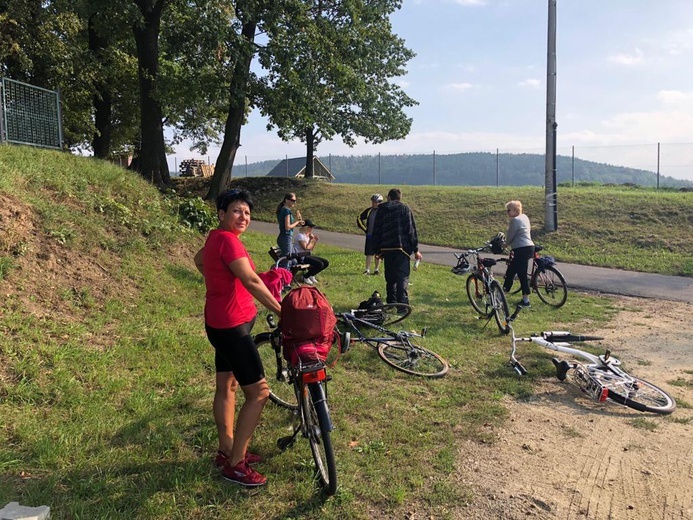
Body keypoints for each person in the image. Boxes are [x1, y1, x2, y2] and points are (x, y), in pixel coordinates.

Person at [193, 188, 282, 488]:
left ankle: (226, 450)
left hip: (219, 323)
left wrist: (219, 282)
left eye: (247, 212)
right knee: (259, 393)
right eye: (236, 210)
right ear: (221, 214)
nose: (243, 216)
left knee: (226, 385)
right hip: (232, 327)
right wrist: (284, 312)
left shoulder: (215, 237)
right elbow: (252, 280)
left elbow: (198, 261)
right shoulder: (228, 241)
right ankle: (236, 465)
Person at [371, 188, 422, 306]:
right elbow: (411, 230)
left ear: (388, 197)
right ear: (400, 198)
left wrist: (376, 250)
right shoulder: (405, 209)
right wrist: (416, 250)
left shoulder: (381, 210)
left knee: (390, 277)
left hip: (386, 248)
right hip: (401, 248)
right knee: (402, 277)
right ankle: (402, 305)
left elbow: (376, 230)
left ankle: (391, 302)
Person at [502, 200, 535, 308]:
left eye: (509, 210)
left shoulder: (515, 221)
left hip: (521, 249)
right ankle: (502, 294)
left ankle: (526, 301)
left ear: (515, 211)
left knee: (520, 274)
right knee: (513, 271)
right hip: (529, 246)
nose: (507, 213)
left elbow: (510, 236)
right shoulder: (524, 217)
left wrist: (505, 245)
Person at [293, 219, 329, 285]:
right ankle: (305, 277)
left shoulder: (306, 236)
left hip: (306, 255)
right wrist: (311, 240)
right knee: (320, 264)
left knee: (325, 262)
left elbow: (310, 248)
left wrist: (313, 241)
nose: (311, 229)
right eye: (310, 227)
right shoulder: (300, 236)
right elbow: (305, 248)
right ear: (305, 227)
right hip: (300, 257)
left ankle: (311, 275)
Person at [357, 194, 383, 275]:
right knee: (369, 253)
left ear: (379, 202)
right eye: (372, 202)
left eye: (375, 202)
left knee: (378, 254)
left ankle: (376, 269)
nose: (373, 203)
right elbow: (359, 218)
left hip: (379, 237)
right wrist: (365, 229)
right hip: (370, 235)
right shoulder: (369, 211)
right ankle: (367, 269)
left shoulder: (383, 211)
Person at [275, 192, 304, 257]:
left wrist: (299, 219)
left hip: (284, 237)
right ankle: (280, 267)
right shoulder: (286, 211)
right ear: (286, 200)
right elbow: (287, 227)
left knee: (292, 260)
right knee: (287, 258)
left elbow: (295, 224)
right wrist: (297, 221)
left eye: (295, 200)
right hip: (285, 237)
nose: (295, 202)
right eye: (293, 200)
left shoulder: (283, 210)